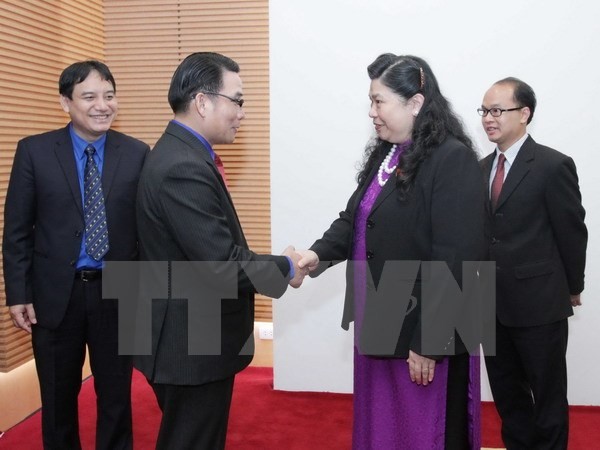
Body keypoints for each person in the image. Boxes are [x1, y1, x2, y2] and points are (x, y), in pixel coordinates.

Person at [297, 54, 486, 449]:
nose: (371, 112)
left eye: (379, 101)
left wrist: (428, 342)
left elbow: (456, 259)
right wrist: (316, 256)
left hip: (423, 332)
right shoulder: (388, 154)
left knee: (424, 431)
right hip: (382, 320)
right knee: (384, 427)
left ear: (415, 103)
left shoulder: (452, 160)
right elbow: (355, 218)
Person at [134, 52, 304, 450]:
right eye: (238, 100)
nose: (242, 113)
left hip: (190, 336)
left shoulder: (182, 154)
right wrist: (284, 266)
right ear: (203, 101)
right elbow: (220, 263)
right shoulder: (182, 165)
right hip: (190, 342)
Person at [2, 60, 149, 449]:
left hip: (117, 292)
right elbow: (17, 230)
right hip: (54, 294)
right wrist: (18, 292)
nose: (102, 105)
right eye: (89, 96)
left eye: (109, 95)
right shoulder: (34, 151)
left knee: (117, 397)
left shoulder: (136, 153)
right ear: (66, 103)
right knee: (56, 399)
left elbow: (148, 229)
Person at [479, 78, 587, 449]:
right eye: (484, 111)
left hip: (540, 303)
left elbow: (571, 232)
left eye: (497, 110)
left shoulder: (552, 165)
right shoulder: (478, 170)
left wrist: (573, 287)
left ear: (524, 114)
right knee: (509, 400)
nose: (488, 119)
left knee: (548, 397)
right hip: (490, 307)